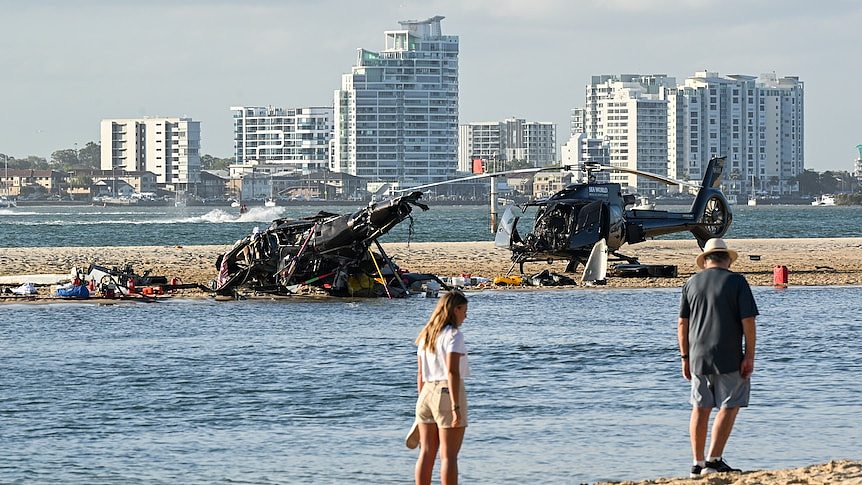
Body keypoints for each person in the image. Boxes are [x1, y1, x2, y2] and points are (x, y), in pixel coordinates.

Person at [678, 238, 758, 478]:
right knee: (730, 404)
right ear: (727, 260)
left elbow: (682, 323)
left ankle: (696, 463)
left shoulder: (691, 283)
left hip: (697, 355)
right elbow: (748, 322)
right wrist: (750, 355)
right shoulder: (737, 281)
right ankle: (714, 459)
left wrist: (684, 357)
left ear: (706, 261)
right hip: (729, 353)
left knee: (700, 407)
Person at [414, 290, 470, 485]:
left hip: (426, 393)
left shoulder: (426, 335)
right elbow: (452, 372)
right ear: (455, 309)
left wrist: (422, 399)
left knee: (427, 452)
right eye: (464, 310)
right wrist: (456, 408)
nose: (466, 315)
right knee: (448, 456)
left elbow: (420, 374)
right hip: (447, 393)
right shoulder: (454, 335)